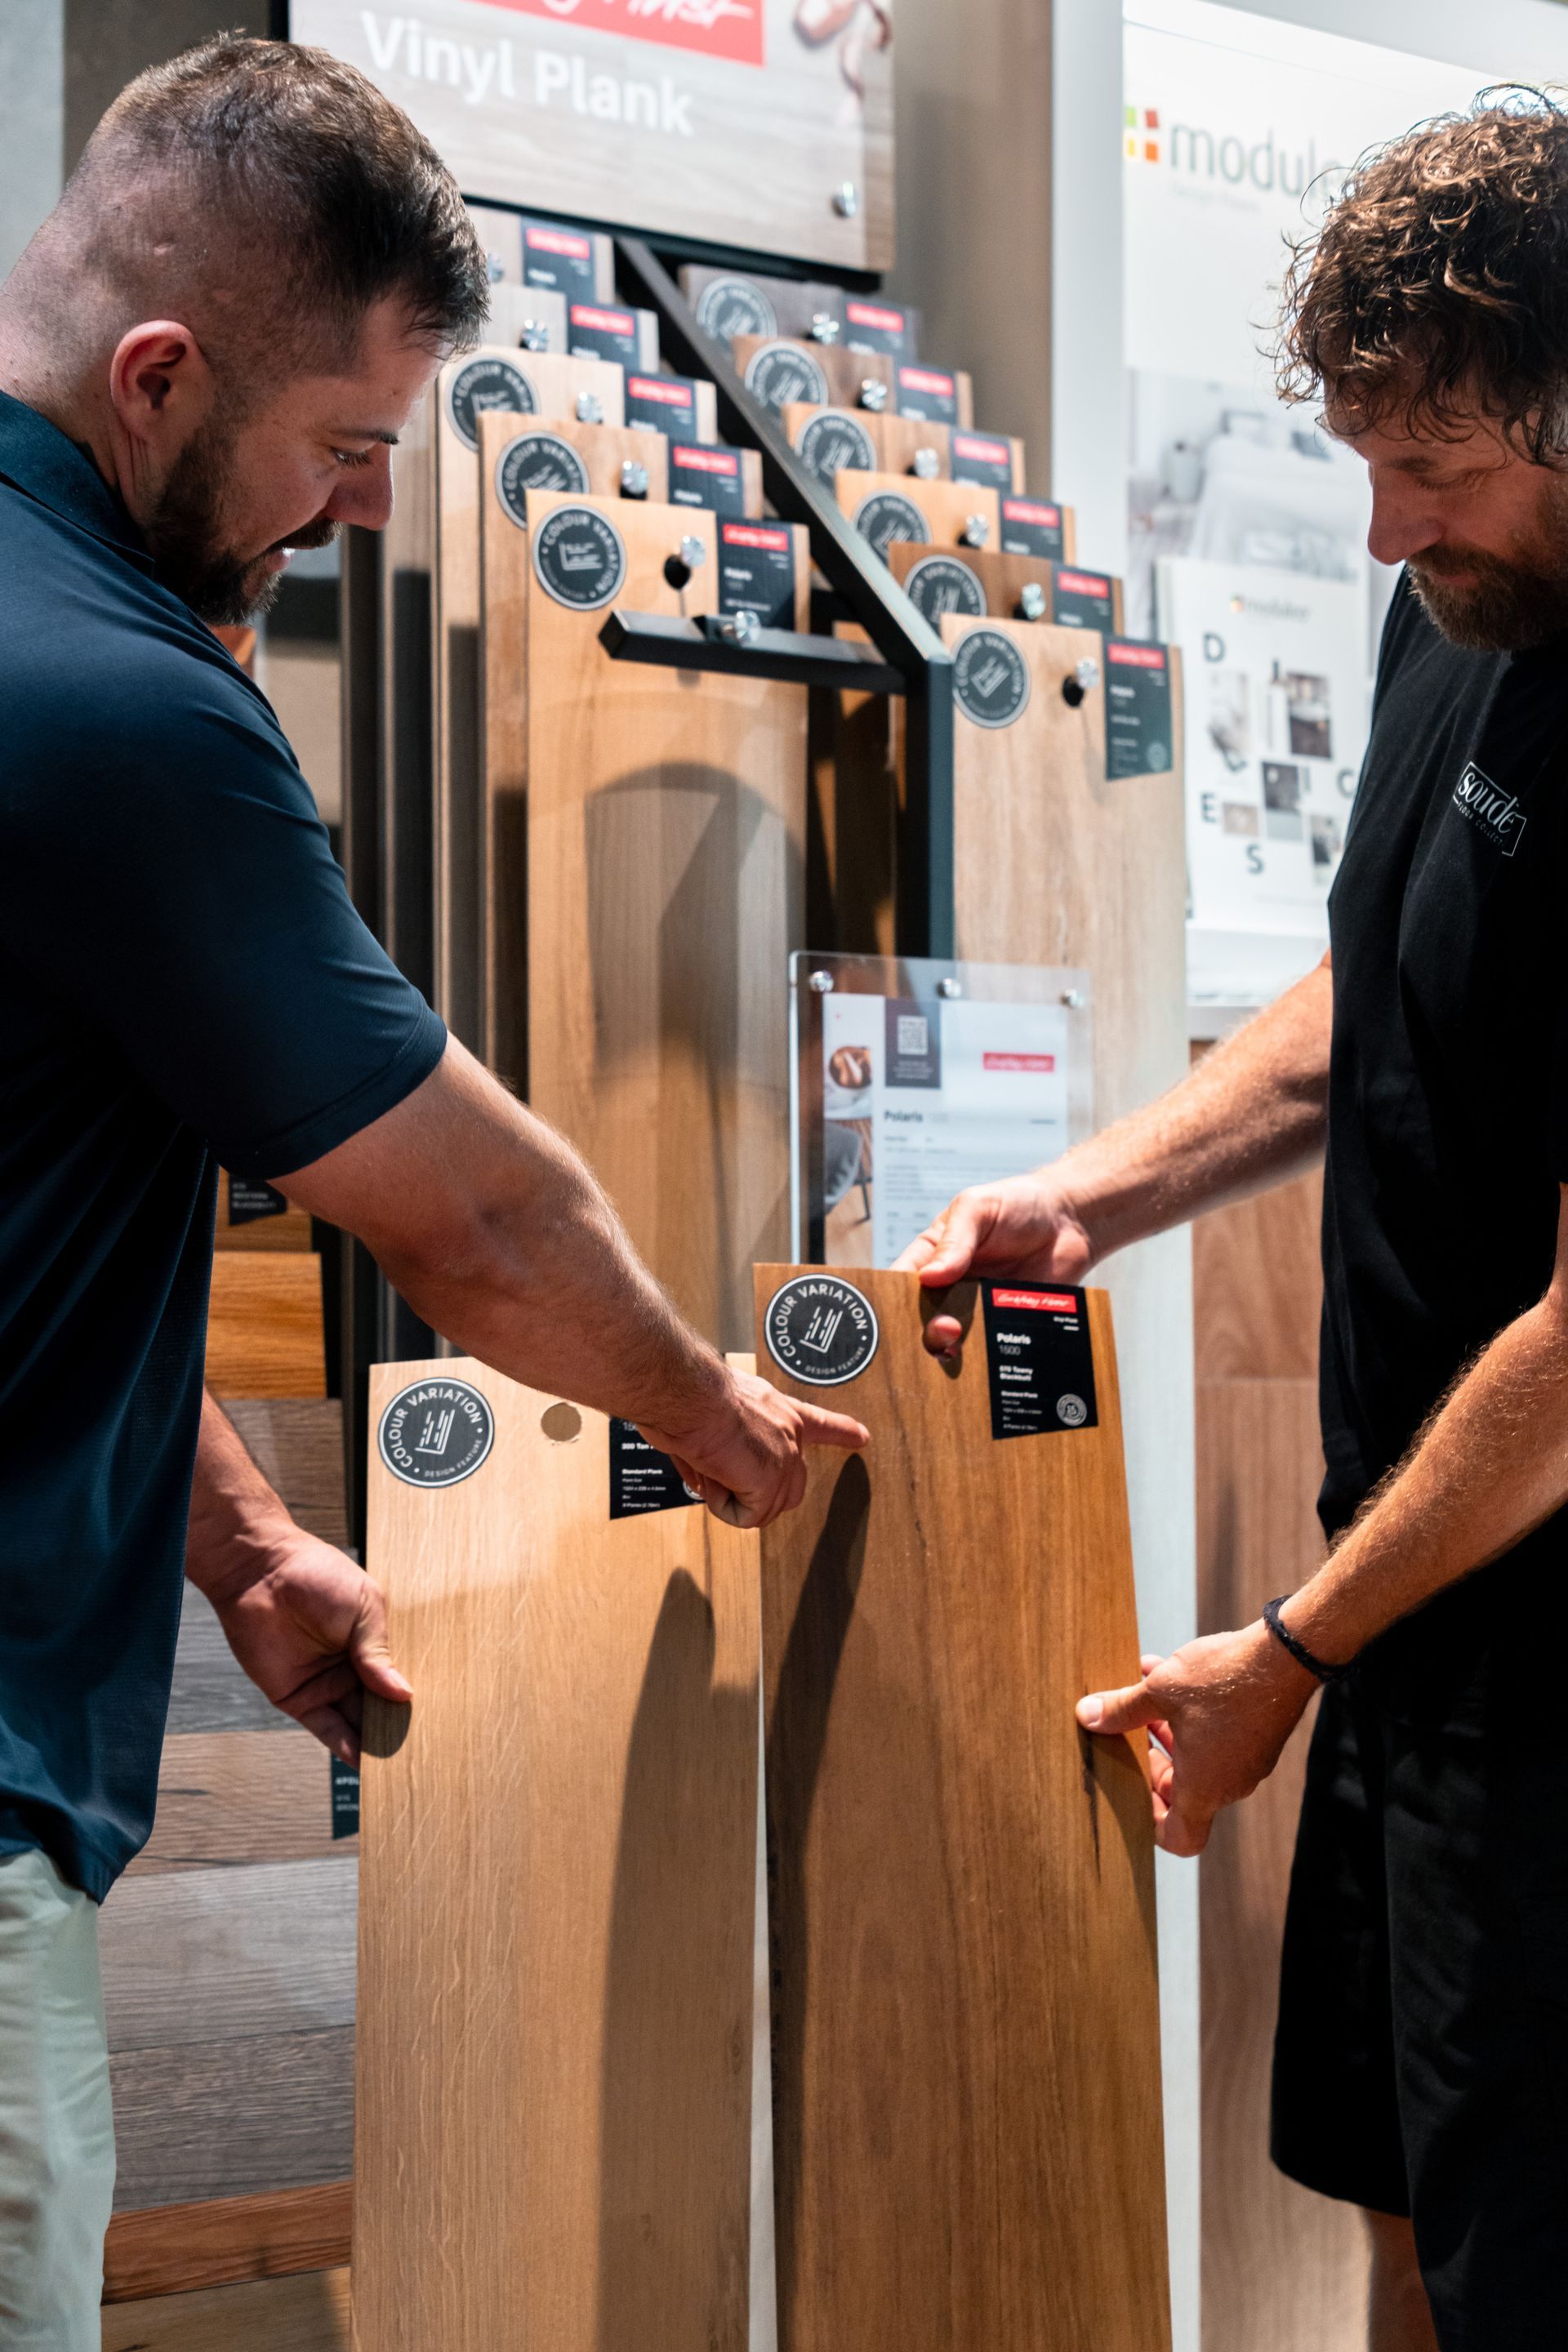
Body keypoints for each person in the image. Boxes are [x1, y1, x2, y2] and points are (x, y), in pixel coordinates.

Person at [0, 35, 865, 2342]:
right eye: (349, 447)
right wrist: (707, 1412)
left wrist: (251, 1538)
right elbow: (466, 1218)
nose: (369, 511)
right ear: (161, 377)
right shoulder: (122, 705)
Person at [900, 91, 1568, 2352]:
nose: (1392, 530)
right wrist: (1096, 1191)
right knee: (1395, 2211)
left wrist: (1285, 1654)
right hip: (1409, 1617)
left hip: (1541, 1672)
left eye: (1444, 469)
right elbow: (1376, 983)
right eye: (1367, 461)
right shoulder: (1462, 616)